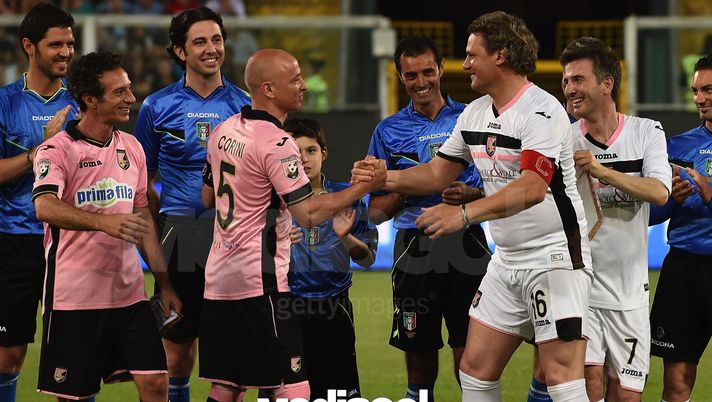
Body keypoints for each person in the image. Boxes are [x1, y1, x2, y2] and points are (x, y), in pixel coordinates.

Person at [353, 12, 593, 402]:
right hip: (506, 263)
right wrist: (382, 179)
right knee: (475, 371)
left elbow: (533, 188)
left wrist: (463, 214)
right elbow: (434, 174)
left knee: (560, 376)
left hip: (555, 259)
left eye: (471, 54)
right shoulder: (476, 112)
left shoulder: (542, 111)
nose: (465, 64)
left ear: (499, 55)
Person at [198, 48, 385, 402]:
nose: (303, 86)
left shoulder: (223, 130)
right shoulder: (277, 142)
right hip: (262, 280)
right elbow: (310, 213)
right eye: (295, 79)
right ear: (268, 89)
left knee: (228, 383)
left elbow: (208, 197)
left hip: (220, 278)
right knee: (294, 384)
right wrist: (363, 187)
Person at [31, 51, 182, 402]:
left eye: (129, 89)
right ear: (90, 100)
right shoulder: (57, 150)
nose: (131, 98)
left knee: (157, 383)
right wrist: (104, 223)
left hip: (130, 297)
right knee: (76, 396)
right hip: (74, 299)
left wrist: (165, 285)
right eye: (119, 92)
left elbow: (143, 218)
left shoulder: (133, 148)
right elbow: (44, 205)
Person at [134, 7, 251, 401]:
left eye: (216, 39)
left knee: (234, 352)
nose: (211, 49)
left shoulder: (245, 104)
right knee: (178, 353)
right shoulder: (155, 107)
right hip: (179, 234)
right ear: (180, 51)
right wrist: (157, 248)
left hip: (233, 238)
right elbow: (143, 185)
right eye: (199, 41)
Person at [365, 35, 490, 402]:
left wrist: (475, 194)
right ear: (399, 77)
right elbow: (373, 212)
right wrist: (409, 190)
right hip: (415, 250)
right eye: (410, 76)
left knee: (471, 351)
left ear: (441, 69)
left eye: (427, 72)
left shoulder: (471, 117)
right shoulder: (386, 131)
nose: (420, 83)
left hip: (468, 239)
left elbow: (500, 183)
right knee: (418, 354)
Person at [561, 37, 670, 402]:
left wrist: (600, 171)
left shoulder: (646, 132)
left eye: (578, 79)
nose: (569, 89)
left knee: (626, 396)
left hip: (629, 295)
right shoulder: (564, 138)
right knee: (588, 385)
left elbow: (658, 192)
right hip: (581, 289)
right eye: (566, 81)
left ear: (607, 84)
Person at [0, 4, 76, 401]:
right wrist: (40, 151)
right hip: (14, 239)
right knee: (7, 355)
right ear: (29, 46)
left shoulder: (84, 105)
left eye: (70, 44)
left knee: (74, 353)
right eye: (56, 44)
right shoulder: (4, 103)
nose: (65, 52)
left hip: (71, 243)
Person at [284, 117, 378, 399]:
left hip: (334, 311)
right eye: (295, 153)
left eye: (311, 151)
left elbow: (368, 258)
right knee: (290, 393)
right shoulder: (273, 202)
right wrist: (275, 243)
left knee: (338, 393)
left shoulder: (346, 197)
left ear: (323, 153)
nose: (304, 159)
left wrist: (345, 237)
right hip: (288, 310)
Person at [649, 53, 712, 402]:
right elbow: (652, 216)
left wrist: (710, 193)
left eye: (708, 90)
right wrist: (670, 199)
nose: (699, 99)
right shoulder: (676, 147)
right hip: (685, 272)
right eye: (695, 90)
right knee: (676, 385)